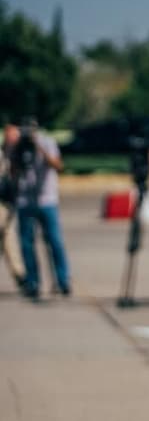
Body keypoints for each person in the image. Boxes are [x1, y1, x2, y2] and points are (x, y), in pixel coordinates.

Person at [4, 118, 71, 300]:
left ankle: (63, 280)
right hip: (25, 201)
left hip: (47, 199)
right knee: (26, 244)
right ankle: (33, 282)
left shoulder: (47, 142)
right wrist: (16, 154)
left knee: (54, 241)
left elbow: (59, 166)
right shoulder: (17, 146)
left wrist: (39, 150)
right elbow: (12, 173)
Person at [1, 122, 27, 290]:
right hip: (2, 202)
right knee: (7, 236)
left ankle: (19, 274)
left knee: (8, 239)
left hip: (9, 204)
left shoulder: (21, 155)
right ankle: (19, 274)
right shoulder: (3, 155)